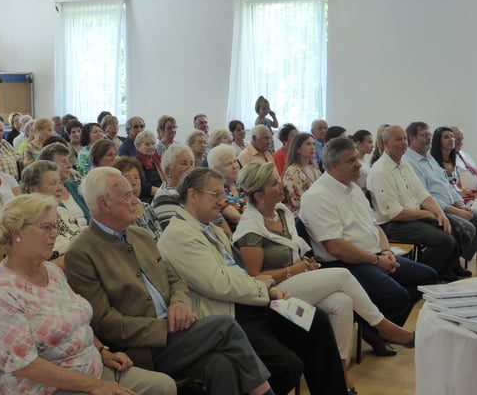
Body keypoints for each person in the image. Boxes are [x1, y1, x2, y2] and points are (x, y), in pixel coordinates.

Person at [65, 167, 276, 395]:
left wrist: (179, 303)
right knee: (225, 326)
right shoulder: (82, 252)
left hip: (177, 332)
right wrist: (165, 327)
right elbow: (105, 322)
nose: (135, 200)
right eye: (127, 196)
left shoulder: (140, 235)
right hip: (142, 347)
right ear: (104, 204)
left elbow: (175, 280)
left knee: (220, 365)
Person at [158, 167, 349, 395]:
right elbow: (220, 284)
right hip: (232, 313)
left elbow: (238, 272)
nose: (222, 201)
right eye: (215, 194)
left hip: (254, 302)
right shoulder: (179, 235)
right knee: (287, 366)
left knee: (314, 319)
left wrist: (267, 291)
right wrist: (263, 288)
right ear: (192, 194)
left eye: (222, 194)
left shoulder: (210, 228)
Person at [234, 162, 416, 394]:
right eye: (274, 183)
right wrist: (297, 269)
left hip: (295, 279)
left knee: (343, 302)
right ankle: (383, 326)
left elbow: (294, 251)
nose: (281, 185)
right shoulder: (250, 228)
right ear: (259, 195)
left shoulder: (281, 211)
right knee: (342, 275)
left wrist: (305, 264)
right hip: (274, 294)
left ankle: (340, 375)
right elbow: (255, 277)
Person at [0, 193, 177, 395]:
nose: (54, 234)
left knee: (163, 386)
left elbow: (77, 321)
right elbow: (25, 366)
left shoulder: (51, 271)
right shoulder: (1, 292)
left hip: (91, 369)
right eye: (46, 227)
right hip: (46, 388)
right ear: (16, 231)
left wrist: (102, 351)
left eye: (55, 226)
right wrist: (95, 386)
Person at [299, 138, 438, 352]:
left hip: (373, 255)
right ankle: (381, 328)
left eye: (357, 158)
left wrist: (386, 251)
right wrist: (376, 260)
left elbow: (375, 227)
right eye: (351, 161)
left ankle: (375, 329)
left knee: (427, 277)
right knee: (396, 296)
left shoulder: (353, 188)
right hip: (343, 264)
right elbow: (335, 247)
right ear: (333, 166)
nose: (358, 164)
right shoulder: (318, 196)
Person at [367, 125, 462, 282]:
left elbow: (423, 194)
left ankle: (443, 272)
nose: (403, 143)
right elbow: (395, 213)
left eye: (405, 138)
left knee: (452, 226)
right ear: (386, 143)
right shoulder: (381, 171)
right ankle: (423, 278)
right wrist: (428, 214)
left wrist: (439, 213)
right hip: (392, 225)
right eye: (398, 139)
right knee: (444, 240)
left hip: (411, 218)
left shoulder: (404, 164)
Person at [403, 122, 477, 271]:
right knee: (467, 228)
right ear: (412, 138)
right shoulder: (409, 162)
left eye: (429, 135)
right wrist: (457, 211)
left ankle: (453, 260)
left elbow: (447, 185)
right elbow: (424, 197)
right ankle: (448, 265)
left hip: (452, 204)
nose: (429, 138)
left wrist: (461, 204)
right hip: (435, 209)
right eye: (424, 135)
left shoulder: (429, 158)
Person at [430, 126, 477, 244]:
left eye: (452, 137)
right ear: (438, 141)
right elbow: (444, 189)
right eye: (446, 137)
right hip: (450, 202)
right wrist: (463, 194)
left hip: (461, 198)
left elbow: (459, 186)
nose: (451, 139)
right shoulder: (433, 163)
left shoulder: (453, 161)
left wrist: (472, 192)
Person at [20, 160, 82, 269]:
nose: (60, 189)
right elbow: (35, 269)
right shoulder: (26, 224)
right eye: (53, 183)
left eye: (60, 183)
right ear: (33, 190)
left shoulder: (62, 212)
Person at [39, 143, 90, 226]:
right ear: (49, 165)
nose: (69, 165)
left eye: (68, 161)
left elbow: (91, 217)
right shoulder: (43, 193)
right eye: (64, 161)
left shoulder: (74, 187)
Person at [114, 157, 163, 241]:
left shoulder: (147, 207)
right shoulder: (119, 213)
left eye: (136, 177)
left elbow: (160, 235)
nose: (134, 183)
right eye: (127, 178)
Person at [153, 144, 195, 229]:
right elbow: (175, 230)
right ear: (169, 169)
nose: (189, 168)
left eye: (191, 164)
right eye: (184, 164)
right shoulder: (164, 196)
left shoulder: (189, 190)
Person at [208, 144, 247, 232]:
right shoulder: (217, 192)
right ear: (217, 169)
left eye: (235, 161)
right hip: (236, 233)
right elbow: (236, 218)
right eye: (229, 164)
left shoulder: (241, 185)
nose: (235, 166)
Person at [282, 133, 321, 217]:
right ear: (298, 149)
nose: (313, 147)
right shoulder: (293, 171)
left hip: (318, 211)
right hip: (301, 216)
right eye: (308, 144)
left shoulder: (314, 168)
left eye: (313, 144)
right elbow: (298, 201)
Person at [135, 130, 165, 203]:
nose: (151, 147)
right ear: (138, 147)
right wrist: (163, 192)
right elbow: (143, 186)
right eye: (147, 144)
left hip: (162, 193)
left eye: (153, 143)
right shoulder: (136, 163)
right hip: (148, 199)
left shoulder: (159, 159)